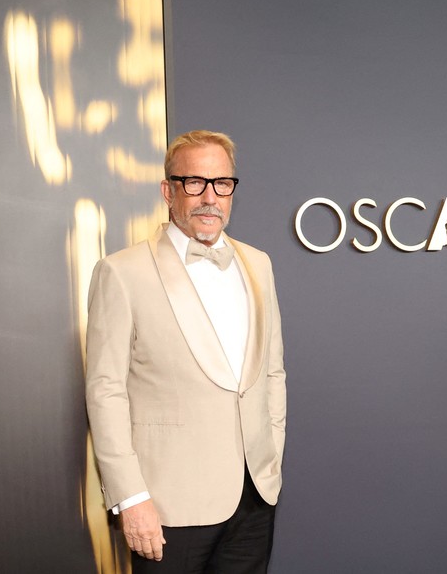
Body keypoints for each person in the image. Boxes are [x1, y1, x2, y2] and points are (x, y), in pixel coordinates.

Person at [85, 130, 287, 572]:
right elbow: (106, 391)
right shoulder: (121, 272)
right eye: (194, 183)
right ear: (168, 191)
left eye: (222, 184)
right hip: (166, 504)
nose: (209, 197)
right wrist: (131, 497)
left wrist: (271, 454)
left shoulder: (259, 263)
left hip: (254, 496)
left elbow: (272, 371)